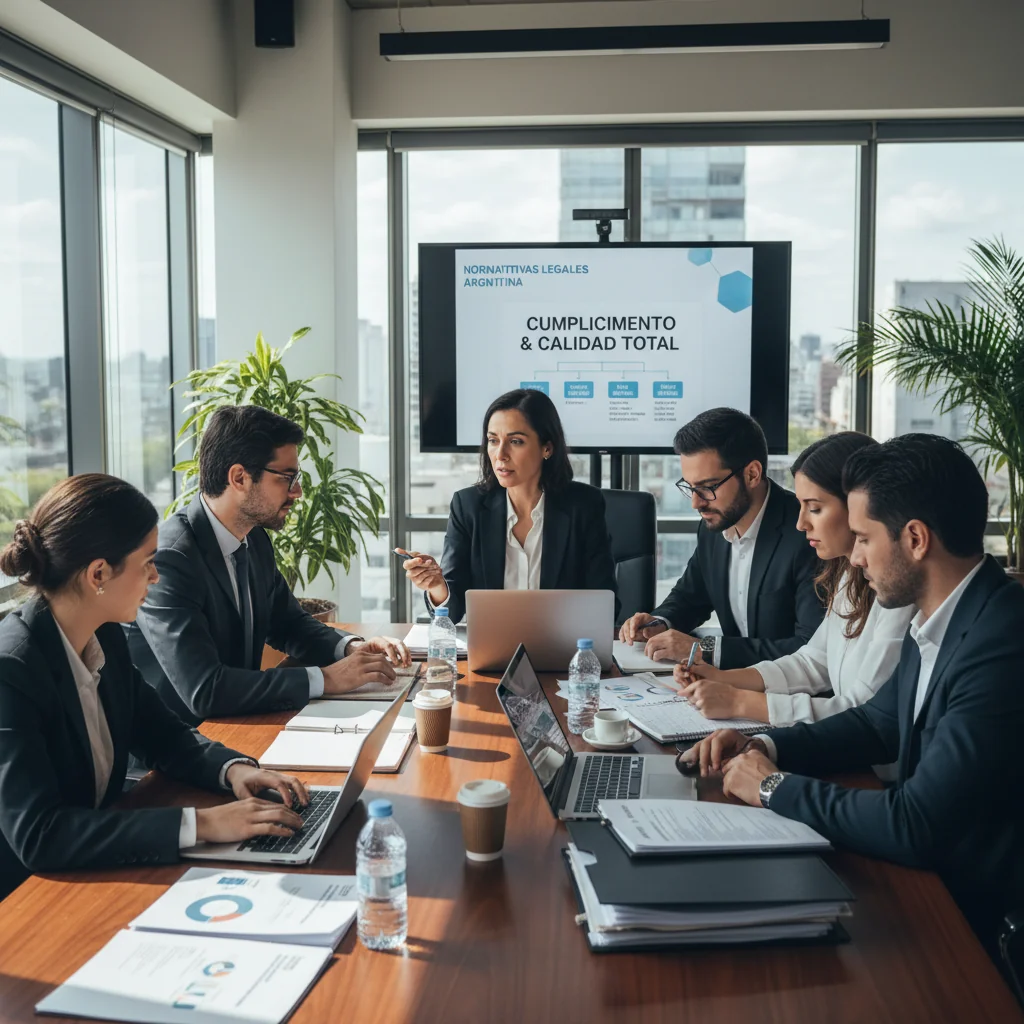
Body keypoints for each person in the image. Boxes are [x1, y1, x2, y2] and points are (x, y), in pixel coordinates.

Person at [682, 434, 1024, 954]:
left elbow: (917, 823)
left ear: (914, 539)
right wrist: (767, 747)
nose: (856, 559)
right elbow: (877, 723)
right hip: (934, 882)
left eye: (863, 539)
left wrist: (773, 787)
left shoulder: (999, 642)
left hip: (975, 921)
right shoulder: (943, 616)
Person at [0, 475, 313, 900]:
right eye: (148, 562)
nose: (156, 576)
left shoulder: (102, 634)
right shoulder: (11, 670)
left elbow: (161, 734)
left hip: (100, 868)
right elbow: (40, 834)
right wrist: (203, 824)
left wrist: (235, 770)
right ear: (98, 574)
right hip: (30, 900)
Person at [127, 406, 409, 726]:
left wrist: (352, 649)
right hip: (181, 750)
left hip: (238, 726)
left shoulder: (254, 538)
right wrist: (327, 679)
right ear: (239, 478)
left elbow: (288, 623)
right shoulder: (170, 559)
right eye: (287, 478)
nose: (298, 491)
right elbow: (206, 689)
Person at [673, 432, 915, 747]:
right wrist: (722, 678)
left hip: (868, 769)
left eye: (814, 508)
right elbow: (813, 660)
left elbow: (862, 713)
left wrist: (741, 702)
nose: (800, 524)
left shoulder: (897, 593)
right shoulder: (849, 575)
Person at [619, 407, 823, 669]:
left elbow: (809, 647)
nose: (696, 503)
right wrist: (657, 624)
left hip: (786, 695)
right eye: (690, 487)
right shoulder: (714, 526)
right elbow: (690, 598)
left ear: (752, 474)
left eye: (707, 487)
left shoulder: (806, 534)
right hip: (728, 686)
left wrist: (704, 649)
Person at [403, 388, 618, 623]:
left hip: (562, 651)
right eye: (493, 440)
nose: (501, 455)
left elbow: (606, 604)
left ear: (547, 447)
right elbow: (452, 612)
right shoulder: (468, 506)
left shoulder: (584, 506)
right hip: (491, 651)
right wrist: (437, 586)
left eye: (516, 441)